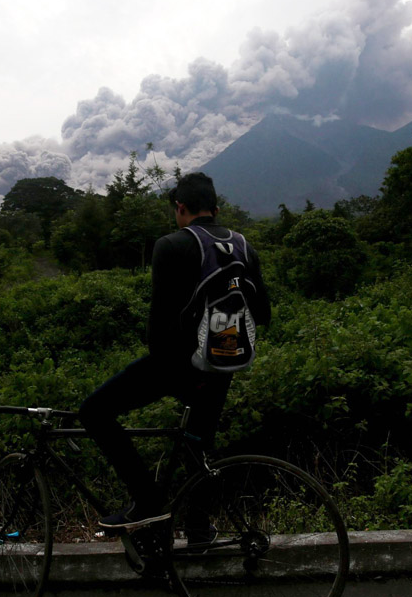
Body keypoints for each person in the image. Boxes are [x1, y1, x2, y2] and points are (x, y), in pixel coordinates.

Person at [78, 172, 271, 530]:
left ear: (179, 208)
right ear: (216, 208)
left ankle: (147, 502)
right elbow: (264, 315)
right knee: (196, 449)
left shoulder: (170, 245)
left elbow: (159, 327)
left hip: (179, 365)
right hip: (224, 364)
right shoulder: (245, 247)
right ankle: (199, 532)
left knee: (94, 412)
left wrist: (166, 371)